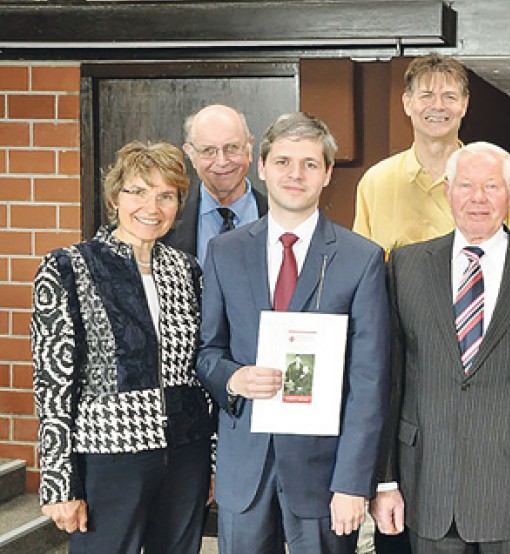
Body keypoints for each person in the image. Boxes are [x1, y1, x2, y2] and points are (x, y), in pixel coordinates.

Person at [372, 142, 510, 552]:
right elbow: (389, 381)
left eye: (492, 186)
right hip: (427, 488)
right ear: (448, 190)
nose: (478, 198)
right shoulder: (404, 267)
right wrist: (385, 479)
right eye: (466, 185)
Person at [196, 112, 389, 554]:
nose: (295, 174)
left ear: (326, 174)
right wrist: (232, 378)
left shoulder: (361, 259)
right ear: (261, 168)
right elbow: (207, 351)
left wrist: (353, 483)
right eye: (283, 162)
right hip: (245, 469)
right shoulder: (224, 252)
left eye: (309, 164)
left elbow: (369, 380)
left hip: (323, 478)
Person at [32, 141, 213, 553]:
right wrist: (58, 482)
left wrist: (212, 461)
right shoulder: (68, 268)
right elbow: (52, 385)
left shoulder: (188, 270)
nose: (151, 205)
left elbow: (201, 371)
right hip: (108, 457)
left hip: (186, 453)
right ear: (115, 197)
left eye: (165, 195)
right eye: (137, 191)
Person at [352, 53, 510, 252]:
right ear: (407, 103)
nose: (438, 106)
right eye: (427, 96)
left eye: (449, 97)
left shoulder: (493, 177)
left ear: (464, 105)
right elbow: (360, 265)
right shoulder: (376, 181)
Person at [161, 104, 268, 261]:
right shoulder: (165, 222)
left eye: (232, 147)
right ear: (191, 154)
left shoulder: (280, 219)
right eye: (208, 151)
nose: (222, 161)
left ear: (249, 148)